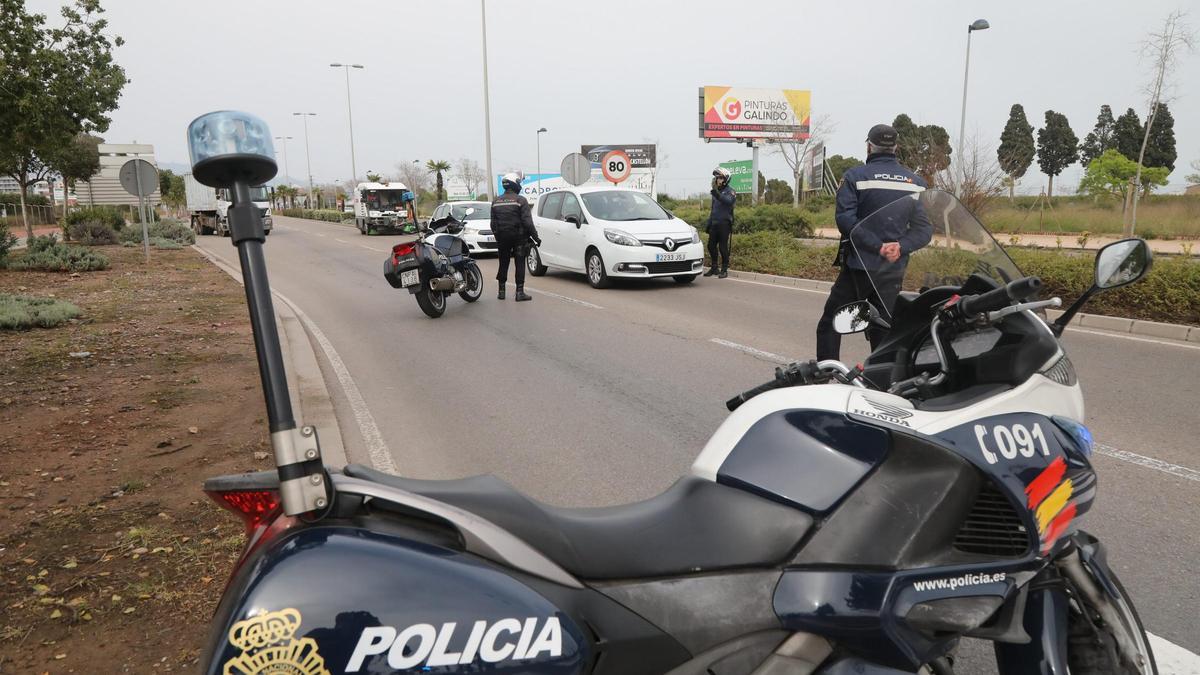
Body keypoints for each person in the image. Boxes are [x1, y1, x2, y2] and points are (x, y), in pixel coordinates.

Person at [815, 124, 932, 361]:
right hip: (893, 269)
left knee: (831, 322)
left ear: (869, 146)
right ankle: (881, 383)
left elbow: (846, 221)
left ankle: (825, 375)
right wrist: (900, 246)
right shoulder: (916, 182)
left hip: (859, 268)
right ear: (895, 147)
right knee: (884, 329)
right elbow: (925, 230)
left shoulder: (854, 177)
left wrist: (877, 246)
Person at [490, 173, 541, 302]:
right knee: (519, 263)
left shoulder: (495, 201)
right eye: (518, 181)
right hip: (518, 238)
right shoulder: (520, 200)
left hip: (502, 238)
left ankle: (501, 292)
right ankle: (519, 293)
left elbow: (493, 224)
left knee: (503, 263)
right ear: (514, 183)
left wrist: (498, 237)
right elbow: (528, 222)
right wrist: (536, 238)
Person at [704, 167, 736, 278]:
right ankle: (714, 268)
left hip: (724, 224)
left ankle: (724, 269)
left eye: (721, 178)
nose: (718, 180)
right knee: (710, 246)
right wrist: (709, 223)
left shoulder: (730, 191)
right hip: (715, 223)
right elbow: (713, 209)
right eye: (717, 178)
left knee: (723, 247)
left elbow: (728, 201)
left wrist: (717, 194)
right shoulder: (716, 192)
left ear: (726, 179)